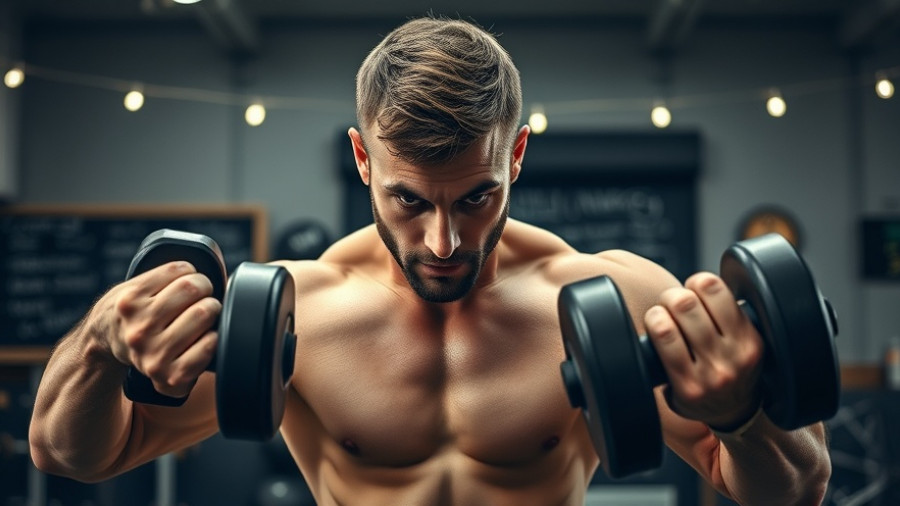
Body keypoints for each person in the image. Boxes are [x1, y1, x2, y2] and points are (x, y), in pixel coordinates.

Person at [29, 15, 830, 505]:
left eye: (475, 196)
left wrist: (744, 416)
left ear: (516, 155)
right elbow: (72, 454)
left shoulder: (609, 295)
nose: (443, 243)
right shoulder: (293, 309)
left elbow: (797, 489)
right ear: (364, 161)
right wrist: (102, 338)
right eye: (411, 201)